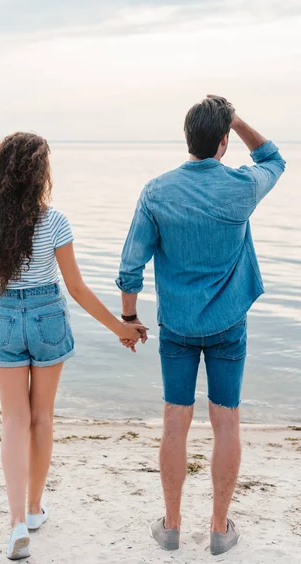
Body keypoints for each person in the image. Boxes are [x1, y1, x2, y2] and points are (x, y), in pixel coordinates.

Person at [116, 96, 285, 555]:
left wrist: (130, 319)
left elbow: (131, 267)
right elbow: (273, 157)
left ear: (187, 139)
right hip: (229, 324)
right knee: (226, 422)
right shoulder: (242, 186)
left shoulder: (157, 191)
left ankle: (170, 526)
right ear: (224, 141)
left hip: (177, 327)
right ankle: (217, 528)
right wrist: (235, 118)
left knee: (175, 421)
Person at [0, 132, 146, 560]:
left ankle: (13, 525)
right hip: (47, 317)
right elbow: (77, 288)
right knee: (41, 418)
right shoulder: (55, 221)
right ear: (39, 174)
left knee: (13, 420)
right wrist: (120, 327)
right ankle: (32, 510)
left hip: (5, 316)